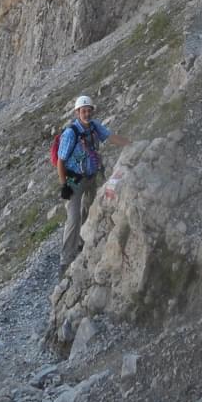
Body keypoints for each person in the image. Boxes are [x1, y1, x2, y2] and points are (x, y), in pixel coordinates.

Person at [55, 94, 129, 272]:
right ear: (77, 112)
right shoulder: (70, 133)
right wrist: (64, 184)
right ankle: (65, 261)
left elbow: (110, 137)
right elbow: (60, 160)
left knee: (90, 209)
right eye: (83, 111)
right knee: (73, 218)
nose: (87, 114)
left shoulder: (94, 127)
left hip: (91, 177)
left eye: (89, 111)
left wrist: (130, 143)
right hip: (74, 181)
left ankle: (82, 241)